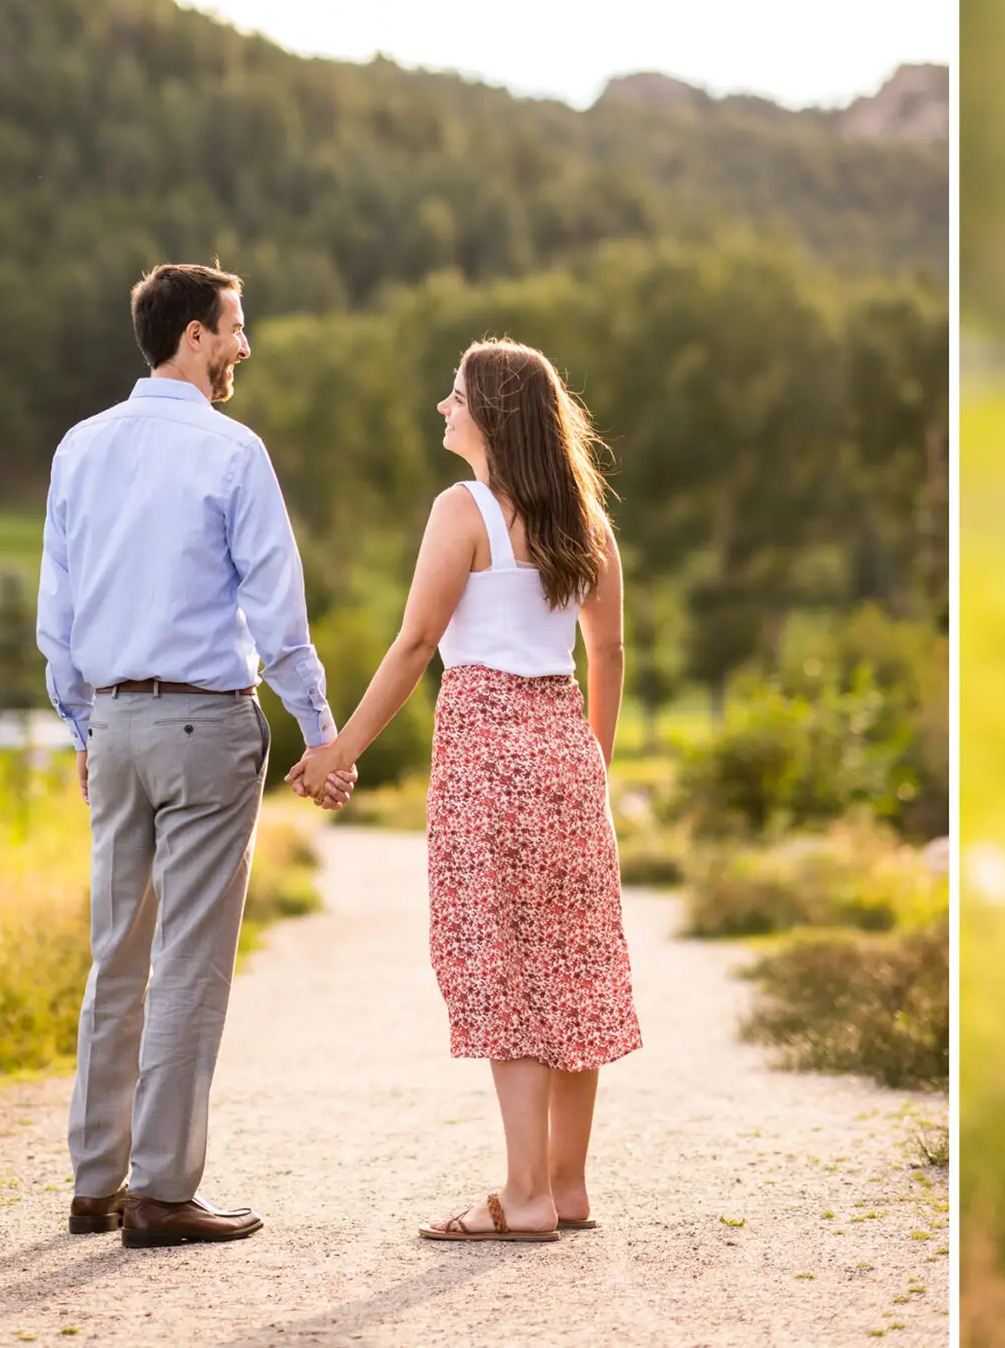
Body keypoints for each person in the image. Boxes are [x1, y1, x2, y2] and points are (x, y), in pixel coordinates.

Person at [291, 337, 639, 1243]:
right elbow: (605, 652)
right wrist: (594, 767)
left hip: (486, 747)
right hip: (566, 745)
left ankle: (522, 1196)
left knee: (503, 967)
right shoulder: (586, 522)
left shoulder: (463, 510)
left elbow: (415, 646)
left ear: (491, 412)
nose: (442, 409)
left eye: (454, 397)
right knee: (572, 963)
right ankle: (567, 1185)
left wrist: (337, 751)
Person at [38, 262, 355, 1250]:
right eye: (234, 328)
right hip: (206, 723)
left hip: (118, 726)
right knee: (188, 962)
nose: (242, 347)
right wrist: (321, 731)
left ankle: (96, 1181)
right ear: (192, 335)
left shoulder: (79, 447)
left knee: (116, 952)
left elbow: (58, 617)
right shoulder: (232, 450)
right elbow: (276, 606)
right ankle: (163, 1190)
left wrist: (87, 728)